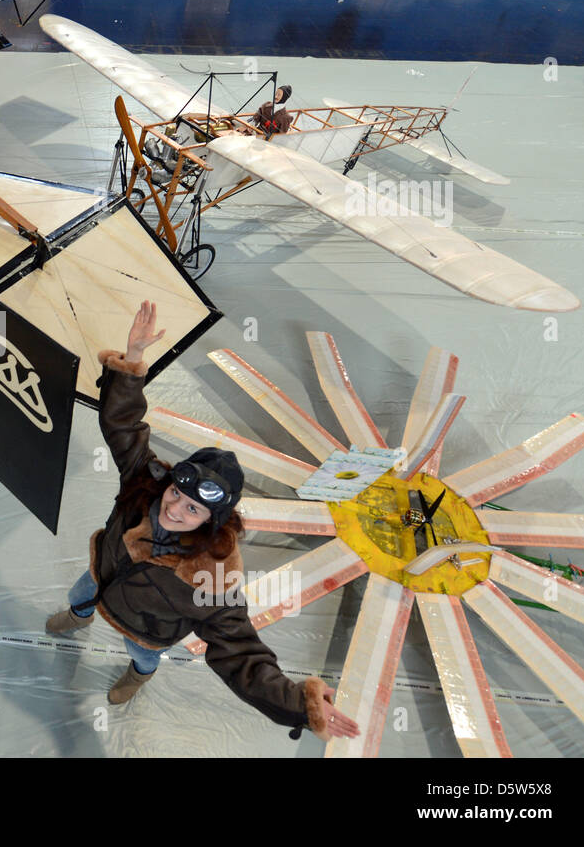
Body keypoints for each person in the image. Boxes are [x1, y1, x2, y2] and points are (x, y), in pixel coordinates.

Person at [45, 301, 360, 743]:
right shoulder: (145, 482)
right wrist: (133, 359)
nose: (174, 508)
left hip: (145, 628)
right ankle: (80, 616)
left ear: (213, 520)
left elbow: (240, 652)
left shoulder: (211, 575)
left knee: (143, 656)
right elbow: (123, 424)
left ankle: (139, 675)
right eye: (177, 493)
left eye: (193, 509)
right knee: (81, 595)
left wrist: (299, 703)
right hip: (101, 575)